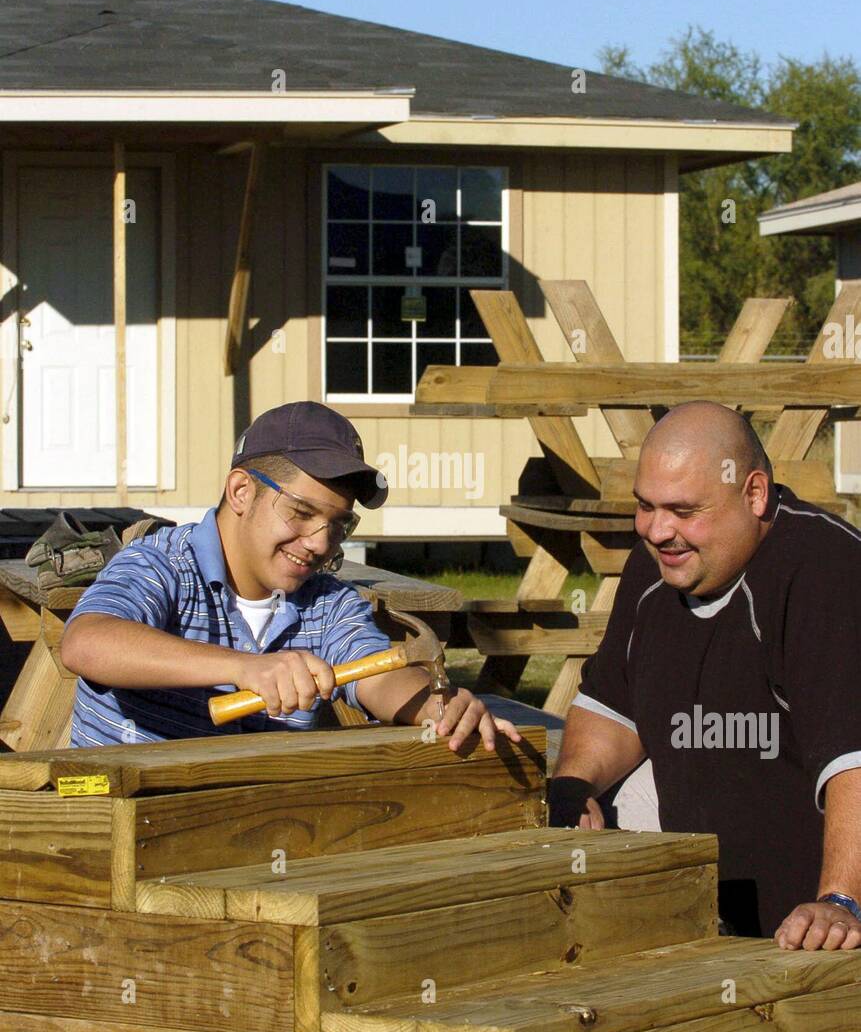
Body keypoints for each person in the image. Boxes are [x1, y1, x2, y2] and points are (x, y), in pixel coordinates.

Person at [550, 400, 861, 953]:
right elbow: (611, 711)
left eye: (683, 510)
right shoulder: (658, 565)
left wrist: (840, 902)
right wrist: (573, 789)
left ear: (755, 494)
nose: (657, 529)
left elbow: (853, 764)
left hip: (815, 936)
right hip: (707, 923)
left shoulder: (828, 571)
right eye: (645, 506)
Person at [61, 402, 519, 754]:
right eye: (301, 513)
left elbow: (377, 675)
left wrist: (439, 707)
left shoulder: (329, 605)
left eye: (338, 525)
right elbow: (88, 643)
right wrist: (244, 668)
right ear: (241, 491)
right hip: (114, 830)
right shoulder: (160, 564)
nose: (321, 543)